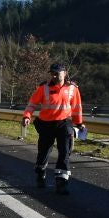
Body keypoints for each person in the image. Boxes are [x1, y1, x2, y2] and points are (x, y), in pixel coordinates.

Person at [22, 62, 86, 194]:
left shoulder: (73, 89)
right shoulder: (43, 88)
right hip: (46, 124)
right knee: (43, 153)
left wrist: (79, 123)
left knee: (64, 152)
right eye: (52, 74)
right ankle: (41, 173)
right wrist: (27, 116)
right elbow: (32, 104)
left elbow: (77, 107)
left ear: (65, 73)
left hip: (64, 123)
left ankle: (61, 182)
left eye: (57, 73)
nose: (54, 76)